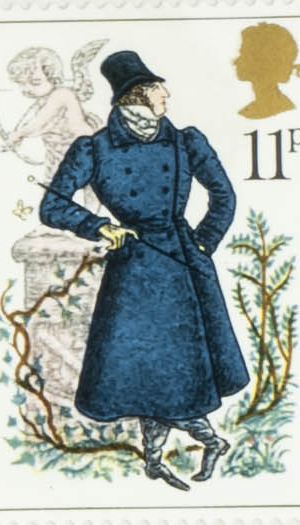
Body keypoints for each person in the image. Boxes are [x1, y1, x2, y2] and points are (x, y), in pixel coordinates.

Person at [36, 45, 247, 481]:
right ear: (137, 95)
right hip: (131, 268)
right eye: (157, 89)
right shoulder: (93, 149)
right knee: (143, 371)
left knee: (178, 367)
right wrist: (99, 227)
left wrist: (203, 242)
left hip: (182, 265)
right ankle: (164, 456)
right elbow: (53, 207)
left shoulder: (187, 141)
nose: (166, 95)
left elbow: (224, 196)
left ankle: (193, 447)